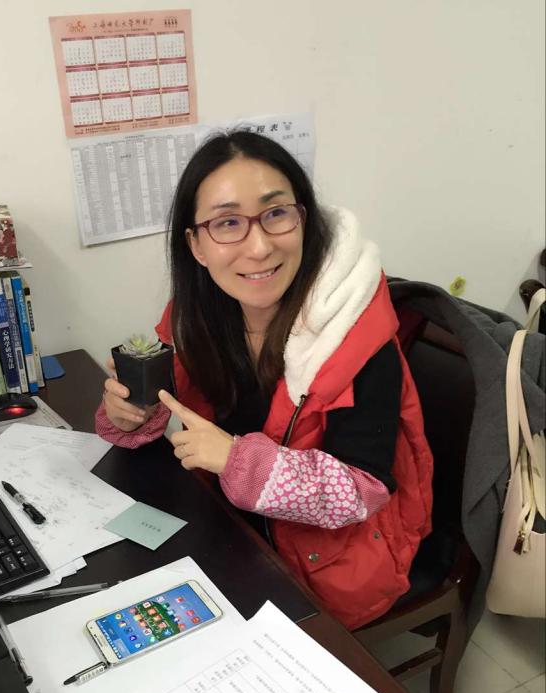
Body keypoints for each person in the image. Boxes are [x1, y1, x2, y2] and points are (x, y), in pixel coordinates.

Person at [96, 131, 433, 630]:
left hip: (328, 564)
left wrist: (235, 459)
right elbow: (174, 406)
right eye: (227, 223)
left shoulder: (358, 341)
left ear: (304, 221)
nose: (258, 247)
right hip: (231, 529)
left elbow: (362, 492)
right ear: (196, 245)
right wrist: (133, 414)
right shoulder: (198, 316)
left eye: (276, 214)